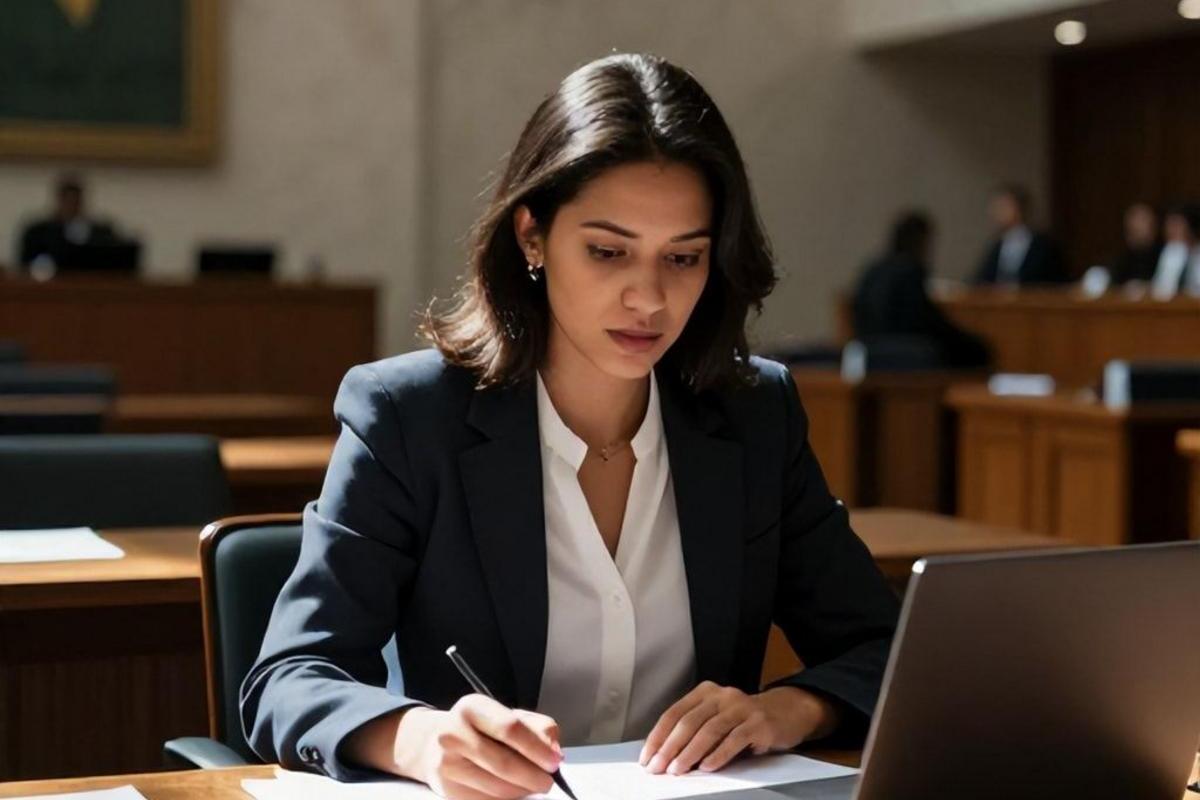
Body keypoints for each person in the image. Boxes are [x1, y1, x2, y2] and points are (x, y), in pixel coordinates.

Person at [240, 53, 899, 799]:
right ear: (531, 236)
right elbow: (291, 677)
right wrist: (420, 739)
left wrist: (787, 712)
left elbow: (889, 649)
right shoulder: (408, 416)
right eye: (607, 251)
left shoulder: (754, 417)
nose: (648, 298)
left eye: (683, 258)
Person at [852, 212, 990, 369]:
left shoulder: (873, 269)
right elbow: (924, 321)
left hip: (868, 346)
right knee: (977, 351)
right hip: (904, 352)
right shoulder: (910, 271)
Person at [973, 184, 1067, 286]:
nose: (997, 212)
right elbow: (981, 280)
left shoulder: (1043, 245)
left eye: (1003, 206)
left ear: (1019, 208)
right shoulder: (997, 245)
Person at [17, 174, 117, 269]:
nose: (71, 207)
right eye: (68, 201)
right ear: (59, 201)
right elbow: (26, 267)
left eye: (75, 202)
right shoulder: (37, 233)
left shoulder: (101, 233)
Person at [1149, 204, 1200, 300]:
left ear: (1191, 226)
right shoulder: (1171, 252)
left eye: (1175, 225)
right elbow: (1161, 290)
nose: (1169, 230)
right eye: (1168, 225)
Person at [1109, 202, 1162, 285]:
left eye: (1143, 220)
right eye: (1133, 231)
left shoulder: (1165, 256)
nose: (1139, 227)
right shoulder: (1121, 262)